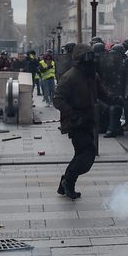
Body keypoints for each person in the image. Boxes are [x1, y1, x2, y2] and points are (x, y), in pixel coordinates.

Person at [53, 43, 112, 200]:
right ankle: (68, 183)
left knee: (80, 154)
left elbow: (103, 94)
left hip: (87, 120)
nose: (90, 61)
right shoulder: (69, 77)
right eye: (87, 57)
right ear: (79, 59)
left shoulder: (92, 75)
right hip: (75, 122)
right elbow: (58, 100)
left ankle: (65, 183)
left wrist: (119, 100)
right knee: (87, 154)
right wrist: (73, 114)